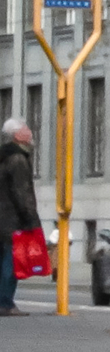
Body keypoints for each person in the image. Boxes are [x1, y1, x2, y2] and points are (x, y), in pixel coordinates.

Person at [0, 120, 37, 319]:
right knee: (11, 263)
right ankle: (5, 303)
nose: (29, 132)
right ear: (17, 135)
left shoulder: (3, 156)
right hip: (11, 221)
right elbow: (22, 193)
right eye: (25, 128)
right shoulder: (18, 159)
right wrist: (31, 219)